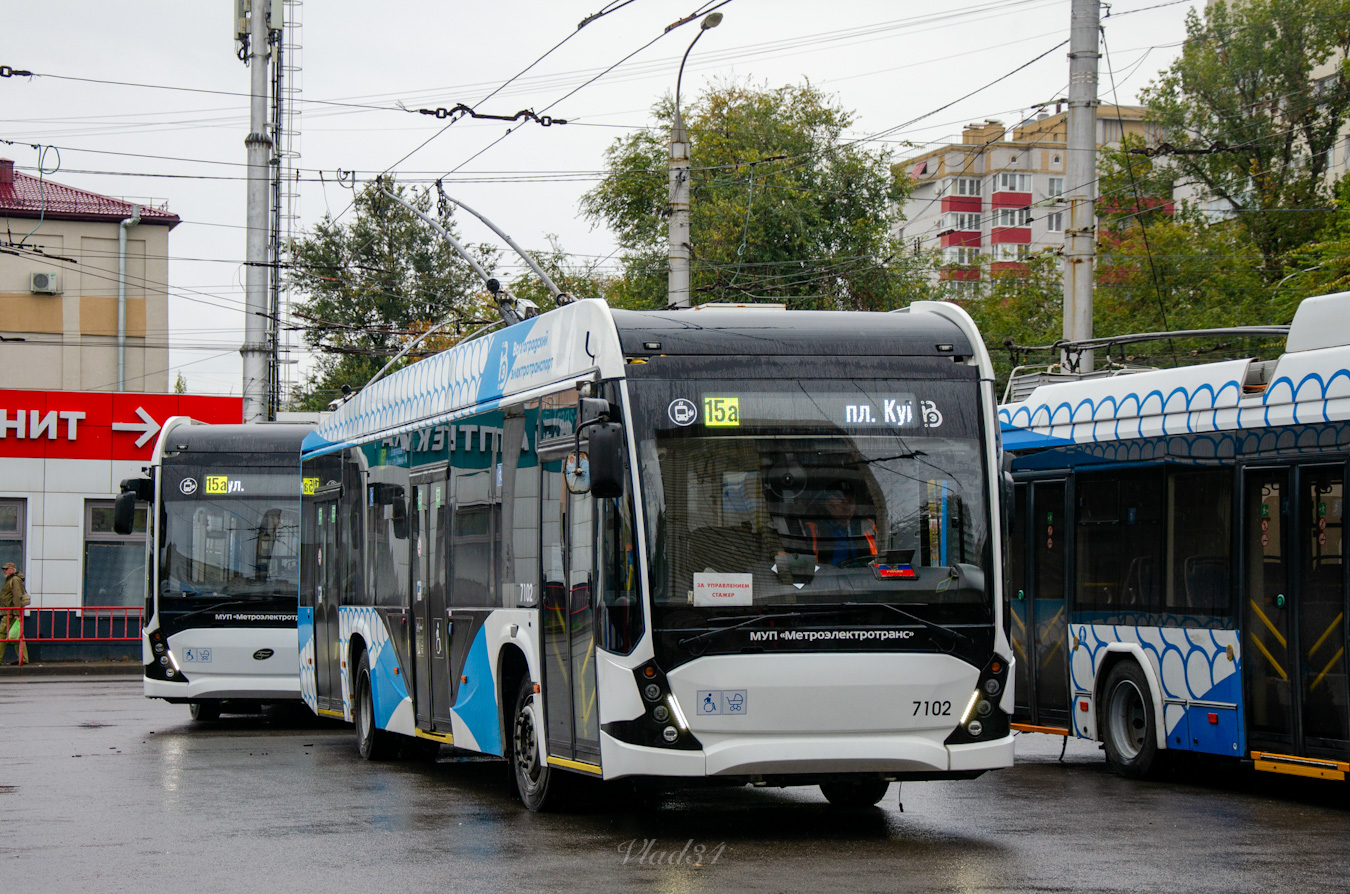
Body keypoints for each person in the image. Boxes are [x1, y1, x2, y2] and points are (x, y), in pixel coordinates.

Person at [805, 481, 877, 566]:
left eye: (850, 502)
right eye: (841, 501)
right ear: (828, 504)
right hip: (827, 578)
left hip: (864, 577)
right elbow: (807, 567)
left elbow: (879, 560)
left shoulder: (867, 525)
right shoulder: (814, 529)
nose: (847, 507)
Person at [1, 561, 31, 665]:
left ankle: (22, 659)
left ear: (12, 570)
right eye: (4, 569)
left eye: (6, 568)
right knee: (18, 635)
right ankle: (23, 659)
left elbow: (17, 597)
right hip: (9, 612)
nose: (4, 571)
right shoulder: (11, 580)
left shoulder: (14, 580)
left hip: (10, 613)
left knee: (2, 634)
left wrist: (16, 613)